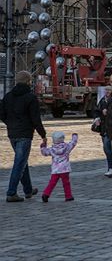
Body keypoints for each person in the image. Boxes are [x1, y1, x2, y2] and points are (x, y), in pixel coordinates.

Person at [0, 71, 47, 202]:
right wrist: (43, 135)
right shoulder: (30, 97)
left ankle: (28, 190)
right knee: (19, 163)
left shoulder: (8, 96)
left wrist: (10, 123)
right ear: (28, 81)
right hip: (25, 134)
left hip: (12, 133)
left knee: (22, 161)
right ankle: (11, 192)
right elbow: (35, 119)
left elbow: (2, 113)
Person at [40, 131, 78, 202]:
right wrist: (74, 135)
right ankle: (68, 196)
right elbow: (73, 143)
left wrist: (43, 147)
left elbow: (44, 153)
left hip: (55, 169)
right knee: (66, 183)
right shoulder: (67, 147)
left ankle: (46, 194)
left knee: (52, 183)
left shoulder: (52, 149)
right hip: (65, 169)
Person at [93, 94, 112, 176]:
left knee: (109, 148)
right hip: (104, 128)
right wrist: (97, 118)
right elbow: (96, 111)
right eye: (106, 90)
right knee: (107, 149)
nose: (107, 92)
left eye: (109, 90)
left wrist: (108, 112)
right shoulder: (102, 100)